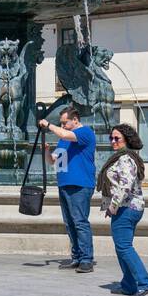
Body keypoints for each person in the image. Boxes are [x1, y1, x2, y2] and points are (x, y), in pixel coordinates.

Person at [39, 106, 97, 273]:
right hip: (64, 183)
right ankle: (76, 257)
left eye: (65, 122)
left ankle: (87, 259)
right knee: (69, 223)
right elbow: (54, 161)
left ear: (75, 120)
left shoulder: (85, 133)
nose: (63, 126)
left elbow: (64, 134)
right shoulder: (64, 139)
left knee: (80, 221)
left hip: (80, 184)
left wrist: (48, 124)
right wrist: (47, 152)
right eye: (61, 123)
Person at [100, 124, 148, 296]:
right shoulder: (125, 157)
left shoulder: (125, 159)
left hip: (126, 208)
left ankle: (145, 283)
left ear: (126, 140)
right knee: (122, 247)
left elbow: (125, 185)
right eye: (111, 138)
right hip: (129, 207)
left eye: (117, 138)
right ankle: (129, 285)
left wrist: (113, 206)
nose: (113, 141)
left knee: (124, 247)